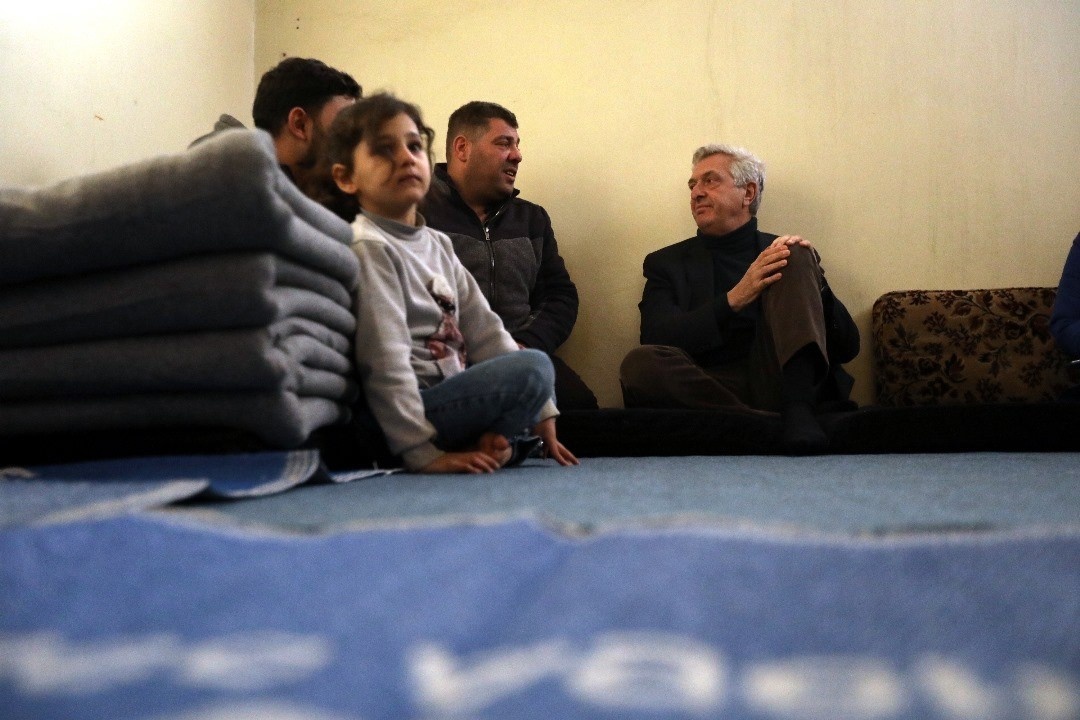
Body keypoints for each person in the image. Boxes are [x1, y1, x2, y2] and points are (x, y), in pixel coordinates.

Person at [324, 93, 578, 473]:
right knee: (533, 369)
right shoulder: (370, 247)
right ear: (346, 177)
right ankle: (434, 446)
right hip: (398, 414)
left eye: (413, 146)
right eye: (384, 150)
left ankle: (502, 444)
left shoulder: (437, 243)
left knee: (535, 373)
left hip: (448, 396)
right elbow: (384, 363)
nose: (406, 157)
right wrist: (423, 455)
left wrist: (542, 409)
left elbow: (486, 331)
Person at [620, 144, 859, 453]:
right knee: (638, 366)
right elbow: (656, 337)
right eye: (692, 185)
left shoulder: (783, 254)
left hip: (780, 380)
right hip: (709, 384)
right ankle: (769, 423)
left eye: (710, 181)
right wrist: (735, 298)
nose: (696, 193)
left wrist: (817, 285)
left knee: (794, 252)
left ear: (748, 193)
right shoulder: (666, 263)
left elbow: (849, 347)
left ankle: (795, 409)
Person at [421, 101, 598, 409]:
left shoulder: (532, 220)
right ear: (462, 148)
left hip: (519, 355)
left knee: (580, 408)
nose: (517, 155)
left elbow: (559, 296)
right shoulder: (416, 213)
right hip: (442, 360)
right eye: (504, 143)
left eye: (517, 144)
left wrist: (525, 344)